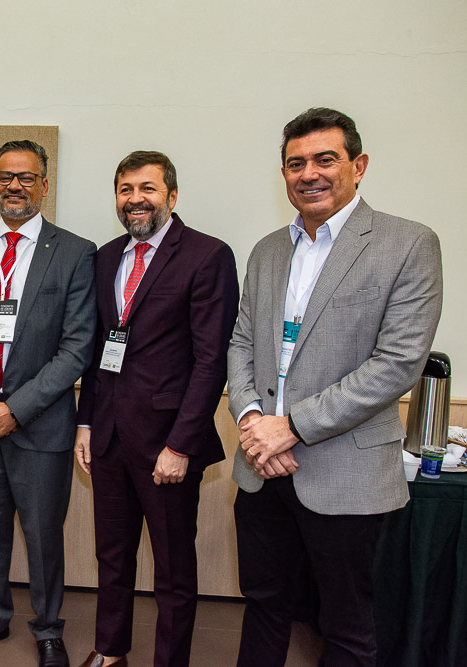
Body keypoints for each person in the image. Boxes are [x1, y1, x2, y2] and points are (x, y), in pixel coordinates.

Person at [227, 107, 443, 666]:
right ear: (283, 173)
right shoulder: (268, 250)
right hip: (261, 466)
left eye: (325, 159)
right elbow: (242, 341)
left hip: (344, 471)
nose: (310, 174)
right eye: (296, 163)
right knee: (264, 604)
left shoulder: (407, 243)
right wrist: (253, 422)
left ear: (358, 165)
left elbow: (396, 363)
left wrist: (291, 428)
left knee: (346, 626)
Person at [74, 151, 239, 667]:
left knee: (172, 568)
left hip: (167, 443)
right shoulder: (105, 257)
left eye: (147, 188)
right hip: (108, 437)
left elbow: (211, 362)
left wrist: (181, 445)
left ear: (172, 195)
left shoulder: (207, 256)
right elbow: (100, 348)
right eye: (125, 189)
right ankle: (110, 650)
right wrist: (85, 422)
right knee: (111, 556)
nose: (135, 199)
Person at [0, 140, 95, 667]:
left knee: (43, 535)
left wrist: (16, 409)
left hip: (41, 424)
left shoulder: (75, 252)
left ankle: (48, 629)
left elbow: (77, 347)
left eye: (26, 177)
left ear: (44, 185)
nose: (15, 186)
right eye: (6, 177)